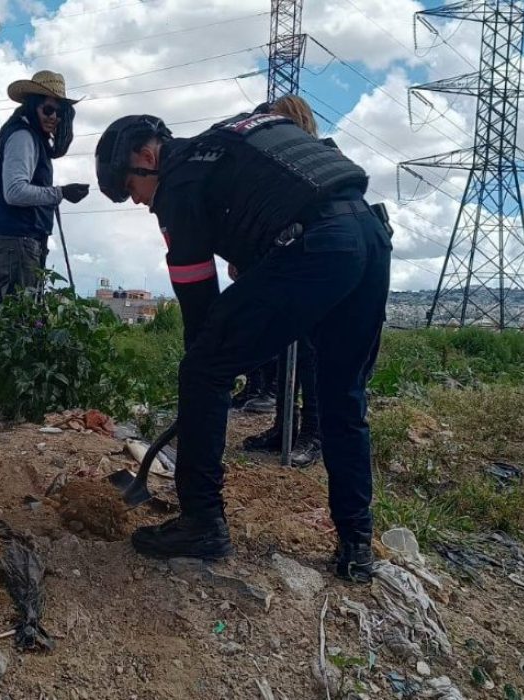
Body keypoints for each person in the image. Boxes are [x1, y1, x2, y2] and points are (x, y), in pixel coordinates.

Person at [95, 106, 391, 582]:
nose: (137, 202)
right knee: (343, 397)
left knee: (202, 369)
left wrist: (202, 385)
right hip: (369, 237)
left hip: (316, 246)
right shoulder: (231, 141)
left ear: (148, 156)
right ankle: (356, 545)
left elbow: (200, 309)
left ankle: (202, 522)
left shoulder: (180, 180)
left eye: (130, 188)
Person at [237, 96, 325, 469]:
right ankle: (282, 428)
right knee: (281, 348)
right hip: (279, 266)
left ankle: (313, 434)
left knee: (310, 354)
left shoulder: (320, 159)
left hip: (316, 266)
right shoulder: (274, 162)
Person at [0, 70, 89, 303]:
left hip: (17, 240)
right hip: (17, 240)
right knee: (18, 320)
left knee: (14, 317)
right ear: (33, 106)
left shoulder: (26, 134)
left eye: (59, 112)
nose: (54, 117)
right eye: (48, 109)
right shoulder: (23, 136)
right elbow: (15, 192)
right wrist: (60, 193)